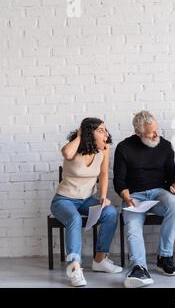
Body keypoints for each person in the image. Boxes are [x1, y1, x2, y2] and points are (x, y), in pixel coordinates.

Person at [114, 111, 175, 288]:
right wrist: (125, 195)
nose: (156, 135)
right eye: (150, 133)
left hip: (158, 193)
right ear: (138, 133)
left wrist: (174, 186)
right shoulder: (124, 147)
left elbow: (171, 177)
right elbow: (119, 180)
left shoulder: (165, 146)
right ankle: (139, 267)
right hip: (134, 197)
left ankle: (165, 257)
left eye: (156, 130)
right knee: (132, 225)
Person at [50, 117, 122, 287]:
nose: (106, 133)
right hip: (64, 200)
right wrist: (80, 135)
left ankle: (100, 260)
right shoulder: (74, 148)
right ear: (89, 133)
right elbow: (66, 153)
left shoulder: (104, 149)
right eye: (101, 130)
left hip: (87, 200)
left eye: (106, 129)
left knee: (110, 212)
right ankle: (75, 267)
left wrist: (103, 196)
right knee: (74, 218)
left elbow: (104, 174)